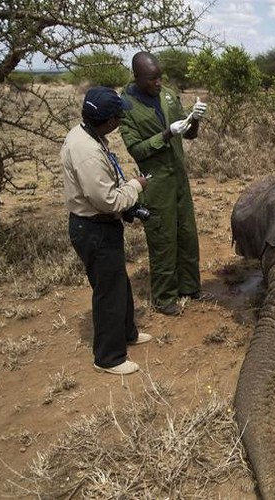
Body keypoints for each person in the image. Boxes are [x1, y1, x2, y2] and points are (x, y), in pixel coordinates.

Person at [62, 86, 153, 375]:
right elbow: (107, 201)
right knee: (108, 292)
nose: (120, 121)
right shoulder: (87, 151)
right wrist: (136, 186)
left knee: (117, 283)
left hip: (100, 226)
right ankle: (109, 357)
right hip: (94, 227)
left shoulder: (87, 134)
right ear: (110, 121)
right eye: (118, 117)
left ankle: (127, 333)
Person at [119, 51, 209, 316]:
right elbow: (136, 149)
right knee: (163, 239)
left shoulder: (168, 95)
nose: (158, 83)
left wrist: (195, 119)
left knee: (187, 234)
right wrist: (167, 133)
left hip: (179, 178)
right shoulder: (126, 107)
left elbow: (189, 134)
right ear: (136, 77)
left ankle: (190, 287)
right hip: (156, 183)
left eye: (160, 77)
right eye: (151, 79)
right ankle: (164, 296)